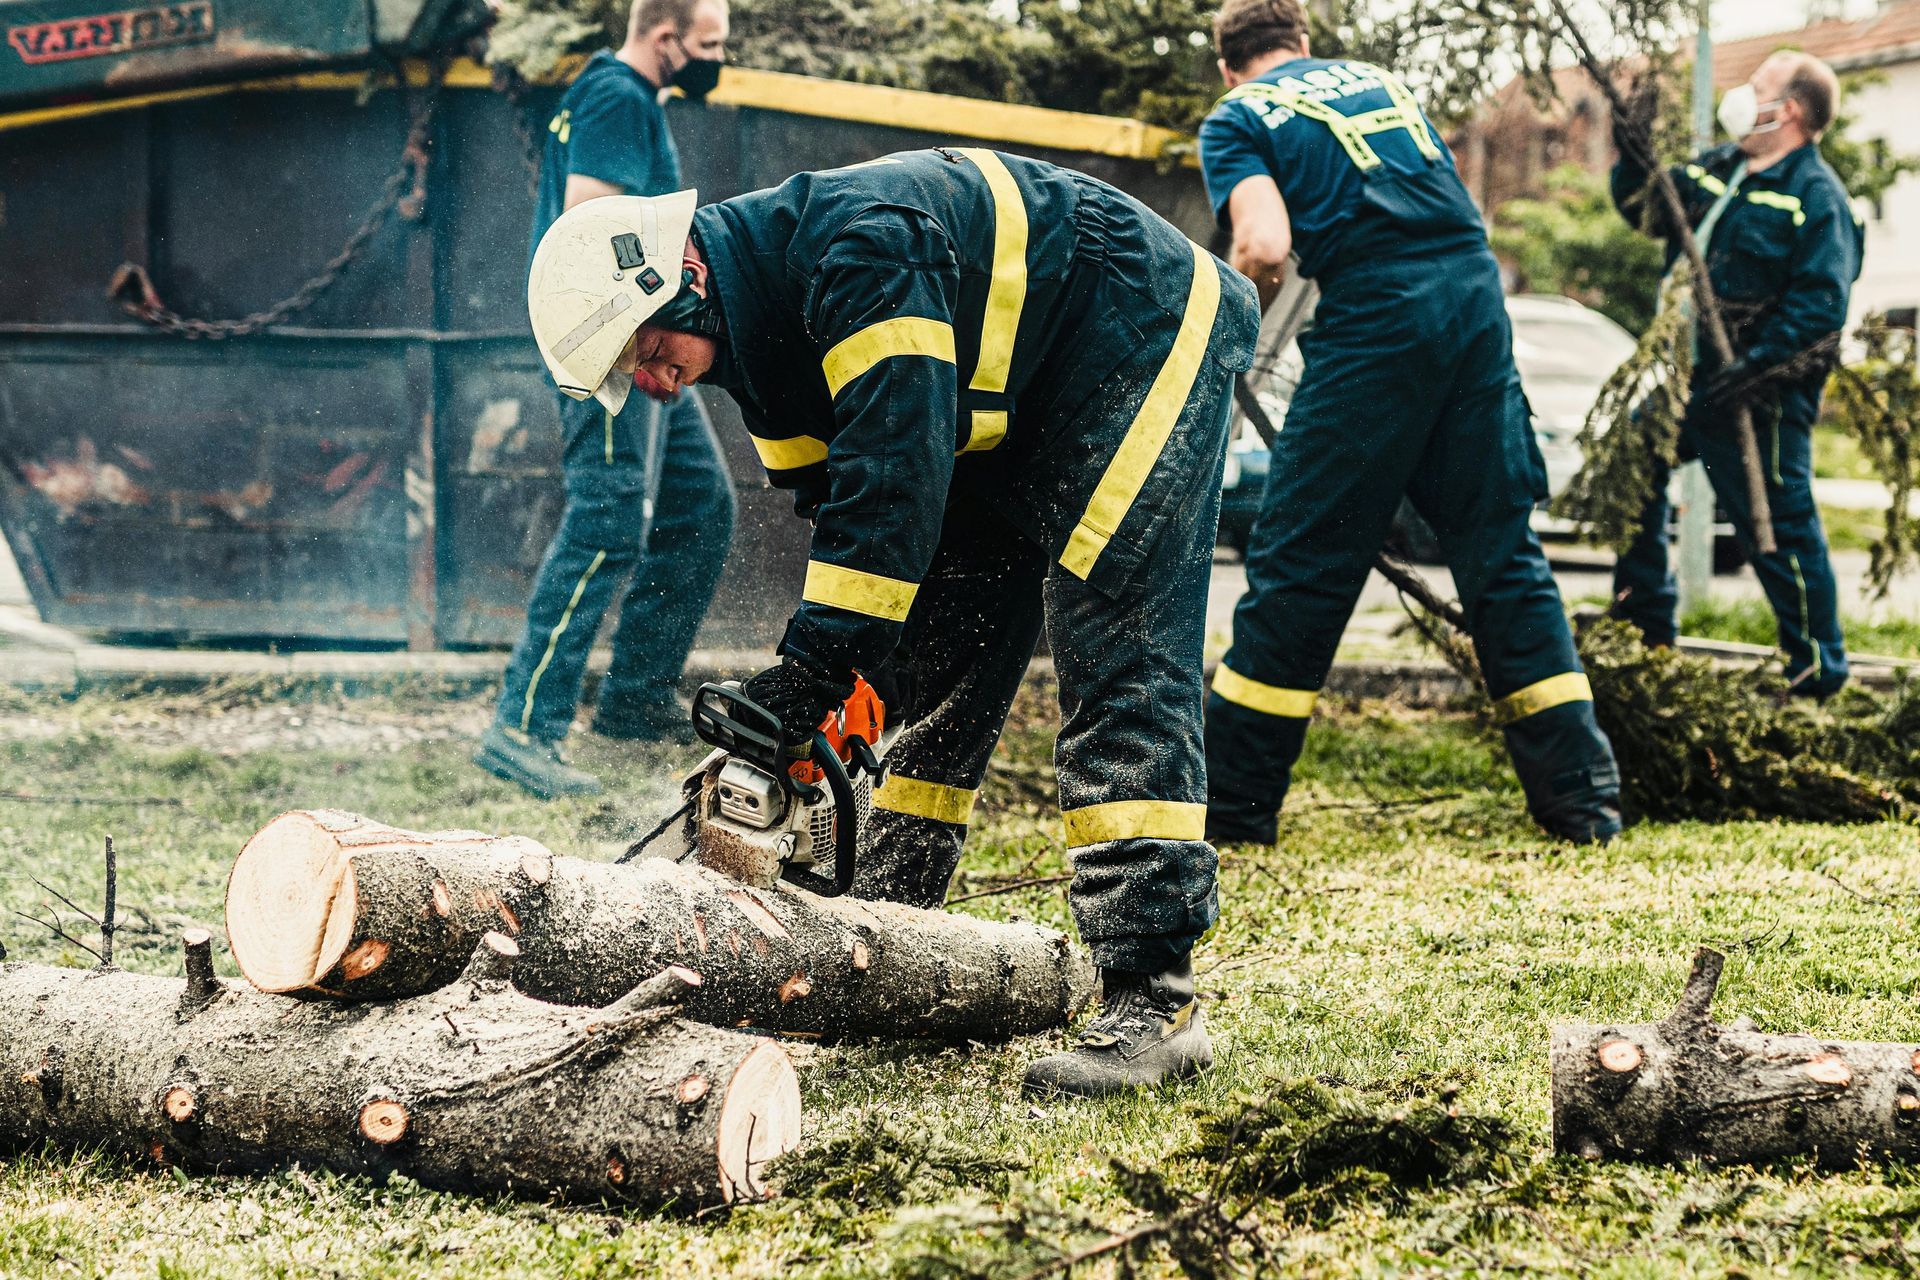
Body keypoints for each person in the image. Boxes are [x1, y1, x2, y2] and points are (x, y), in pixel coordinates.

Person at [525, 149, 1259, 1095]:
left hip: (1136, 331)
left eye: (649, 352)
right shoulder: (754, 357)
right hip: (1002, 413)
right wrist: (842, 695)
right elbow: (852, 524)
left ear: (687, 279)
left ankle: (1155, 1000)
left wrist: (807, 675)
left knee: (1115, 641)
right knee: (944, 655)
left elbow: (894, 487)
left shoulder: (860, 251)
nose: (655, 384)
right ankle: (895, 924)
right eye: (635, 370)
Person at [1196, 0, 1622, 847]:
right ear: (1304, 43)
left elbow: (1265, 246)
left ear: (1226, 63)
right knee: (1500, 552)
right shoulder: (1379, 82)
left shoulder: (1237, 116)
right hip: (1473, 301)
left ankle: (1235, 808)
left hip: (1378, 319)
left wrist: (1226, 331)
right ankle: (1586, 803)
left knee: (1303, 562)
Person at [475, 0, 737, 799]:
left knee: (703, 504)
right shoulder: (618, 98)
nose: (717, 59)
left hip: (637, 340)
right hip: (611, 346)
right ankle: (522, 728)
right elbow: (587, 231)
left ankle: (631, 702)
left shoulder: (617, 95)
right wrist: (634, 350)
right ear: (666, 40)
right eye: (709, 45)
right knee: (607, 519)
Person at [1609, 51, 1863, 699]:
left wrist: (1758, 368)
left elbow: (1820, 308)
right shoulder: (1720, 168)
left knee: (1776, 524)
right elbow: (1649, 211)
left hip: (1763, 395)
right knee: (1633, 461)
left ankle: (1816, 669)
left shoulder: (1816, 199)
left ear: (1793, 111)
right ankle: (1643, 628)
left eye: (1758, 88)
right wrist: (1632, 152)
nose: (1742, 96)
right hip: (1690, 380)